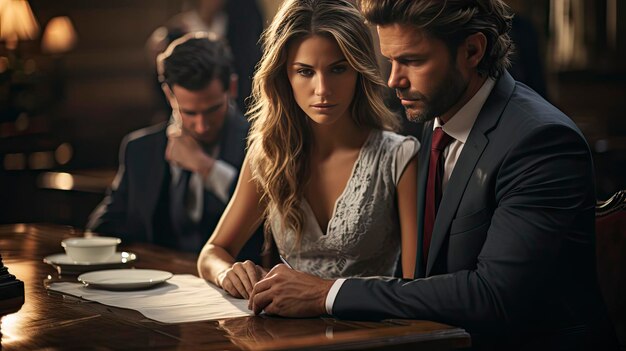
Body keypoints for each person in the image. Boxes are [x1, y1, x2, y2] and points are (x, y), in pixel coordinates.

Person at [248, 0, 618, 349]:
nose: (393, 80)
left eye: (412, 60)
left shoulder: (541, 141)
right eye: (389, 60)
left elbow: (493, 296)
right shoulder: (437, 115)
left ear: (473, 51)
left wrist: (325, 293)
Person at [197, 0, 420, 300]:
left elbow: (416, 289)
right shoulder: (270, 154)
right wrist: (227, 272)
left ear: (359, 70)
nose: (323, 89)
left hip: (374, 335)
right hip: (286, 334)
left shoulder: (400, 158)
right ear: (283, 76)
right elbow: (213, 252)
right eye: (305, 71)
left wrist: (326, 296)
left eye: (338, 68)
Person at [87, 32, 262, 259]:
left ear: (232, 87)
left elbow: (268, 227)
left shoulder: (262, 142)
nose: (201, 126)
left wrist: (207, 167)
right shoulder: (139, 149)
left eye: (212, 110)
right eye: (189, 112)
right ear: (169, 95)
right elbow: (102, 227)